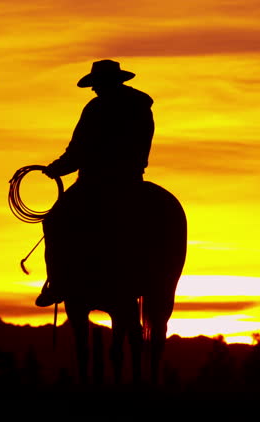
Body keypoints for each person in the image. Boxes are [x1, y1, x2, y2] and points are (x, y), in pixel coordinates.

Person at [36, 59, 155, 307]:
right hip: (132, 178)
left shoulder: (96, 108)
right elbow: (143, 143)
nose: (94, 89)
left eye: (97, 84)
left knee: (54, 221)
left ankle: (56, 283)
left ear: (104, 83)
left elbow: (78, 149)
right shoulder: (141, 106)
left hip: (96, 181)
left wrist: (57, 168)